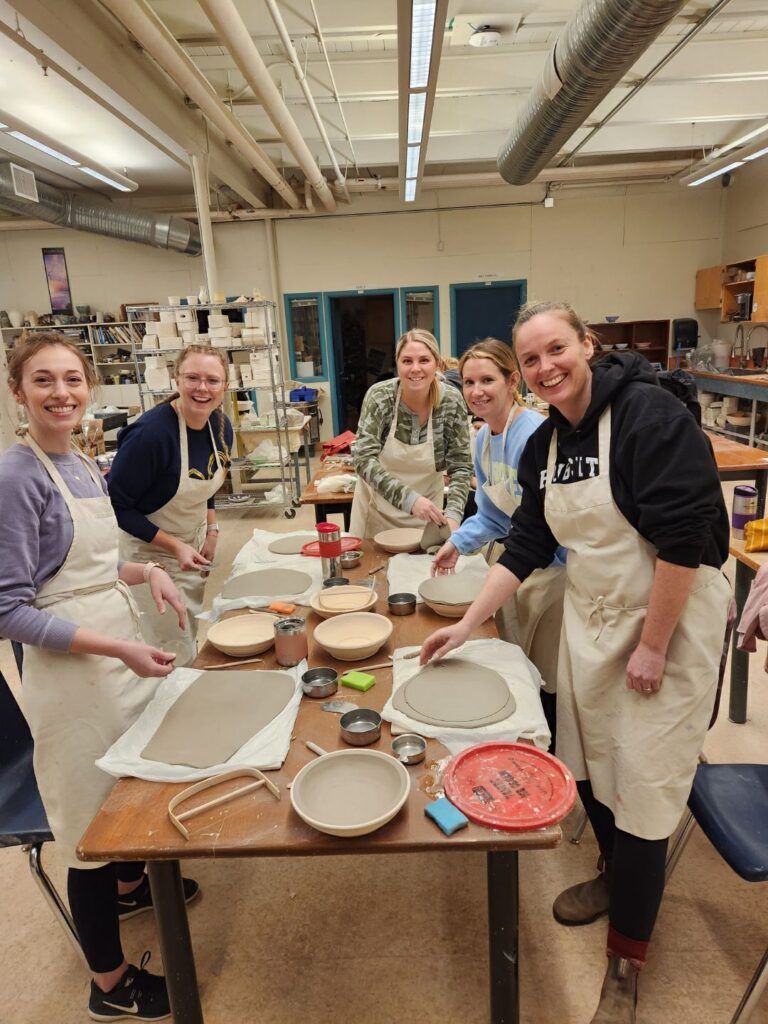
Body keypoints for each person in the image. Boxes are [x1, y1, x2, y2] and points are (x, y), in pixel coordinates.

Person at [420, 301, 731, 1023]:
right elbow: (526, 542)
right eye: (531, 359)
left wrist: (654, 645)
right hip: (594, 621)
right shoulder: (547, 445)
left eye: (555, 349)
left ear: (586, 344)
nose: (545, 367)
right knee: (589, 763)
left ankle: (625, 967)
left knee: (645, 791)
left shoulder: (650, 418)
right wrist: (468, 623)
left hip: (667, 620)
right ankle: (612, 874)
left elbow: (686, 539)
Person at [0, 332, 194, 1021]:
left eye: (73, 379)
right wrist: (114, 649)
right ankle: (108, 984)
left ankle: (131, 885)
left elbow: (92, 565)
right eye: (43, 381)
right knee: (88, 826)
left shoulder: (79, 464)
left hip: (115, 651)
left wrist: (151, 571)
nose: (62, 393)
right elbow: (9, 610)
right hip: (74, 676)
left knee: (129, 790)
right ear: (18, 391)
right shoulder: (17, 477)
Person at [431, 339, 566, 724]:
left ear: (512, 381)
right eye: (469, 382)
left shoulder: (534, 435)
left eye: (487, 380)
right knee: (518, 660)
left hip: (557, 572)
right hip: (519, 568)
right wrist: (456, 543)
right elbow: (492, 515)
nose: (476, 391)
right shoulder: (483, 441)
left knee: (550, 672)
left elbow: (548, 525)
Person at [109, 345, 233, 665]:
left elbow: (206, 480)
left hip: (191, 545)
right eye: (192, 377)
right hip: (148, 555)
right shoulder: (150, 435)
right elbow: (118, 507)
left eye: (212, 380)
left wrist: (212, 530)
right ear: (176, 379)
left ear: (225, 386)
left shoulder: (220, 427)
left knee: (188, 633)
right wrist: (173, 546)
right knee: (166, 646)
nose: (202, 388)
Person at [350, 329, 471, 538]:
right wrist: (410, 500)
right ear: (397, 365)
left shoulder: (451, 401)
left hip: (428, 514)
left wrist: (453, 516)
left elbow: (460, 465)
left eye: (424, 360)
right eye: (407, 361)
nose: (415, 369)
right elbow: (363, 459)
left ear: (437, 364)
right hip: (377, 510)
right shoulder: (380, 397)